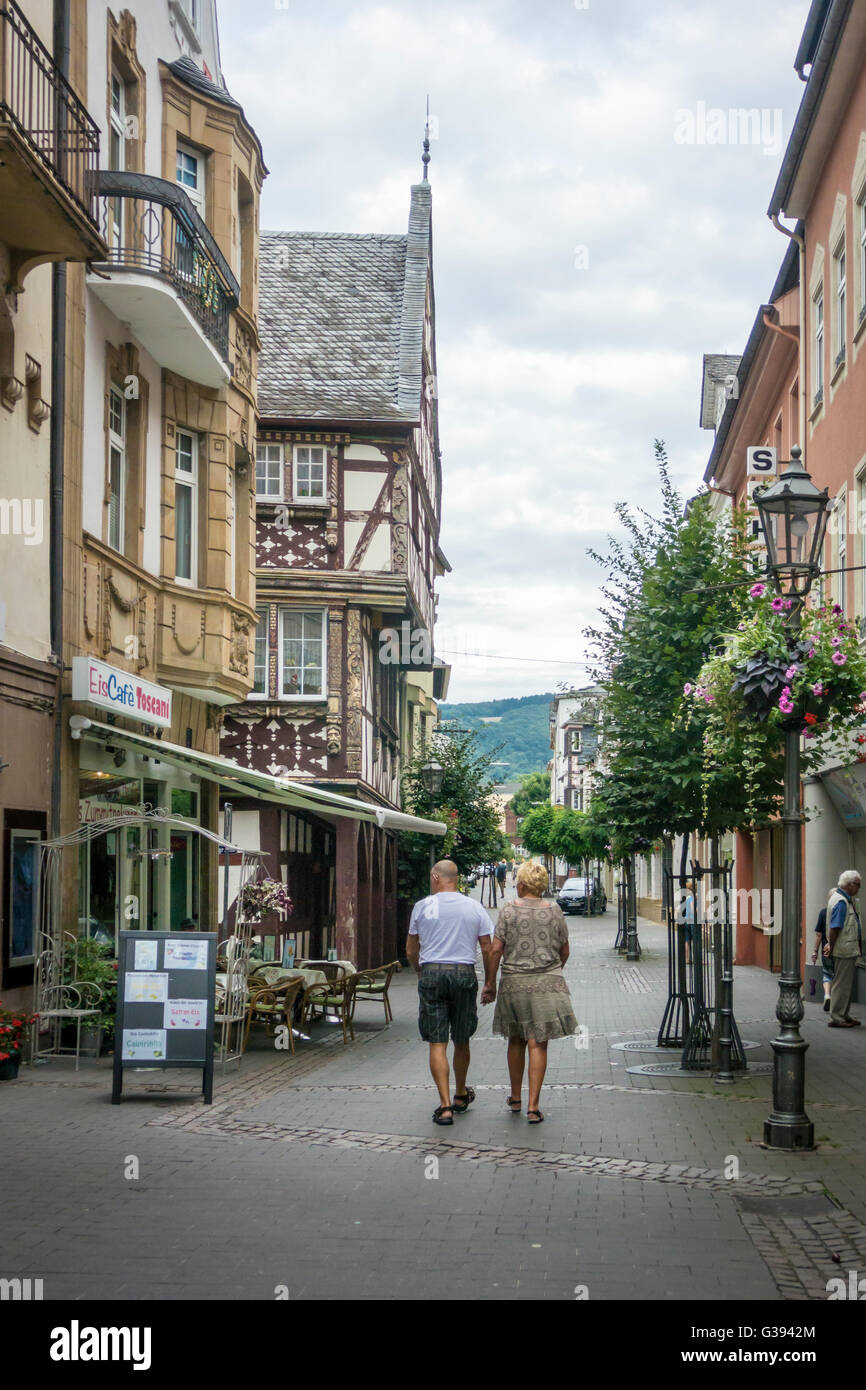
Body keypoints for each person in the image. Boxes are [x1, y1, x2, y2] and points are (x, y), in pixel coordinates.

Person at [481, 860, 577, 1123]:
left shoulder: (509, 910)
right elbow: (565, 949)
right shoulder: (555, 910)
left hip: (514, 983)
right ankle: (533, 1107)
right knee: (538, 1043)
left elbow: (495, 949)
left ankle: (516, 1097)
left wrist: (489, 983)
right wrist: (552, 970)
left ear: (521, 884)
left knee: (516, 1039)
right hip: (548, 983)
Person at [406, 859, 493, 1125]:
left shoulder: (422, 907)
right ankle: (460, 1094)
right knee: (462, 1038)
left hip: (433, 971)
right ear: (456, 879)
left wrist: (420, 971)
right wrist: (490, 982)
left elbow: (411, 950)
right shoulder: (474, 907)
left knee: (437, 1041)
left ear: (435, 877)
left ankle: (444, 1107)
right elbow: (488, 949)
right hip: (464, 974)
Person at [826, 870, 863, 1028]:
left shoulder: (844, 900)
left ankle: (844, 1014)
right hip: (843, 949)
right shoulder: (841, 901)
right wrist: (831, 946)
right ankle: (837, 1017)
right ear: (849, 884)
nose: (859, 888)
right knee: (842, 984)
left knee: (845, 984)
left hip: (846, 948)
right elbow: (835, 927)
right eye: (857, 885)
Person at [810, 906, 832, 1012]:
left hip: (825, 950)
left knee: (827, 974)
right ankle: (837, 1002)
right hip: (840, 951)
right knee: (839, 977)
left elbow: (819, 935)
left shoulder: (823, 912)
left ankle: (827, 995)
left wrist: (815, 951)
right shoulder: (844, 910)